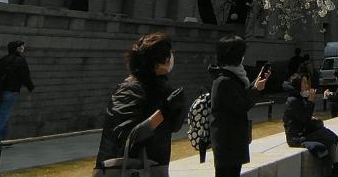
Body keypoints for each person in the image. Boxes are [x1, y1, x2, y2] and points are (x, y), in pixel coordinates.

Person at [93, 33, 187, 174]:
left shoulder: (162, 90)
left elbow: (173, 126)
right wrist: (162, 114)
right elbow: (126, 137)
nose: (172, 58)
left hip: (151, 168)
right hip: (130, 170)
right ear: (161, 60)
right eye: (170, 53)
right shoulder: (131, 90)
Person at [209, 36, 269, 177]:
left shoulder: (231, 77)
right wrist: (256, 90)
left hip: (232, 141)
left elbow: (241, 96)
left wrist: (255, 84)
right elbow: (241, 105)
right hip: (228, 143)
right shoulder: (224, 81)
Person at [282, 72, 338, 176]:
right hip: (296, 137)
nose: (307, 86)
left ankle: (336, 167)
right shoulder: (293, 100)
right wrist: (311, 102)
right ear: (298, 85)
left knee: (332, 137)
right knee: (321, 147)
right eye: (304, 83)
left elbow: (305, 118)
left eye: (307, 82)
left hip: (305, 132)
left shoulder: (300, 97)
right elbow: (304, 119)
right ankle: (331, 171)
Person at [0, 41, 34, 143]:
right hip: (11, 92)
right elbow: (25, 76)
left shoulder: (3, 60)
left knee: (2, 114)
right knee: (2, 116)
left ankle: (4, 139)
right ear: (16, 49)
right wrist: (30, 86)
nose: (22, 49)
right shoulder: (20, 60)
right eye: (20, 47)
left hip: (0, 92)